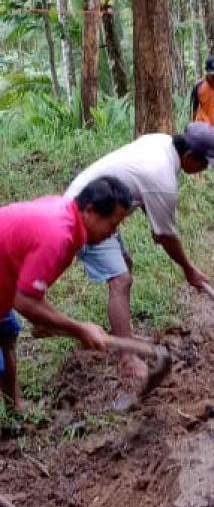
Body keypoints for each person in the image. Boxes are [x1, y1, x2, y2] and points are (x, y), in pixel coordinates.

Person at [66, 123, 214, 383]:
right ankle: (127, 358)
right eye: (205, 163)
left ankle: (124, 336)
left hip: (97, 204)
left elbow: (144, 198)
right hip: (83, 214)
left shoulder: (161, 142)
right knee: (121, 279)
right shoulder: (162, 177)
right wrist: (189, 269)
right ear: (188, 157)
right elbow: (162, 236)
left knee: (124, 267)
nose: (205, 169)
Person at [0, 177, 132, 415]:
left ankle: (15, 410)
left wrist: (51, 324)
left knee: (7, 335)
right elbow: (26, 301)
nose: (113, 233)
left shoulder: (66, 219)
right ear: (90, 211)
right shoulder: (58, 234)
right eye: (112, 224)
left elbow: (29, 291)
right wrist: (79, 328)